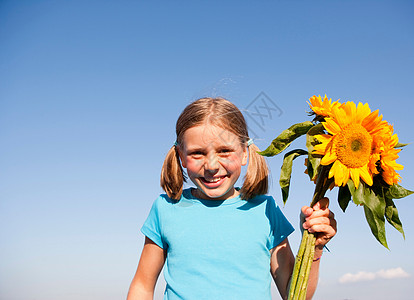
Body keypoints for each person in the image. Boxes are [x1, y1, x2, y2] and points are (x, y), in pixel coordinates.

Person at [127, 97, 337, 300]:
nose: (211, 166)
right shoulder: (166, 209)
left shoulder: (266, 210)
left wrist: (315, 248)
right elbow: (143, 286)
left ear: (245, 152)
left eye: (224, 151)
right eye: (197, 153)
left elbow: (293, 294)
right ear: (181, 156)